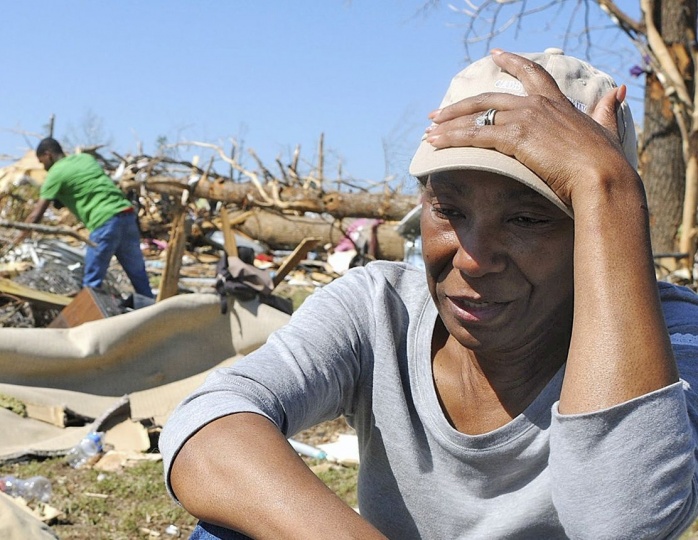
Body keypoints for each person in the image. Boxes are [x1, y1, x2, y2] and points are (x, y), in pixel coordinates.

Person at [160, 48, 698, 539]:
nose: (473, 258)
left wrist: (607, 183)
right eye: (449, 210)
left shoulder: (672, 343)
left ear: (599, 229)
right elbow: (209, 421)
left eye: (526, 218)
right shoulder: (381, 311)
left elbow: (625, 524)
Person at [22, 138, 153, 298]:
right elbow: (88, 185)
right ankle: (155, 315)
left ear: (48, 155)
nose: (44, 167)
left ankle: (91, 320)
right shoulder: (85, 159)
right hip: (126, 215)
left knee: (91, 285)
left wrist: (19, 240)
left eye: (42, 162)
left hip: (104, 221)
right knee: (140, 279)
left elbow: (36, 215)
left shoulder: (55, 173)